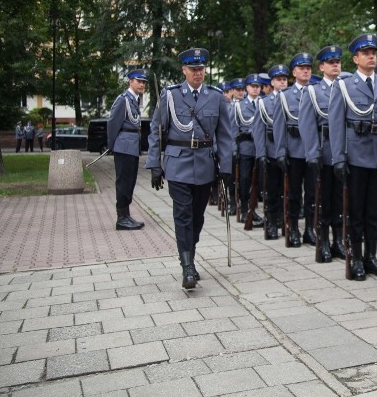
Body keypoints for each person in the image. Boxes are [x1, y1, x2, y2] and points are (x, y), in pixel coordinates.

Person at [146, 48, 234, 290]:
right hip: (178, 163)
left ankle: (190, 256)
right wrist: (155, 164)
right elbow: (157, 131)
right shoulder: (171, 96)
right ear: (183, 70)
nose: (198, 73)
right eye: (193, 69)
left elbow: (225, 136)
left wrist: (226, 166)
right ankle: (187, 267)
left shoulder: (216, 97)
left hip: (205, 165)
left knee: (197, 217)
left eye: (201, 69)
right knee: (182, 215)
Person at [329, 34, 377, 280]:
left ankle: (371, 257)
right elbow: (336, 125)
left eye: (373, 53)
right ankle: (355, 257)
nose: (371, 57)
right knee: (356, 211)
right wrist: (338, 158)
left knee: (374, 211)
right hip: (355, 156)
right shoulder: (343, 86)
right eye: (366, 54)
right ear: (355, 59)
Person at [300, 45, 344, 262]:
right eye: (330, 62)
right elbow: (307, 125)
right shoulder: (313, 91)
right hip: (325, 150)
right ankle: (324, 241)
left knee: (341, 199)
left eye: (337, 62)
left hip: (344, 152)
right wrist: (312, 154)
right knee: (324, 199)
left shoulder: (346, 87)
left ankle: (339, 240)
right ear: (322, 66)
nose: (335, 65)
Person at [274, 52, 317, 247]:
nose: (306, 71)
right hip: (294, 148)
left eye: (308, 68)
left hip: (314, 150)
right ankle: (293, 228)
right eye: (302, 68)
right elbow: (279, 126)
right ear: (294, 72)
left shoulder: (317, 91)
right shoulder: (285, 96)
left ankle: (309, 228)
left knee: (312, 193)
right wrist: (281, 152)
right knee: (293, 193)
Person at [107, 69, 148, 231]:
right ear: (130, 82)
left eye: (144, 82)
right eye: (139, 81)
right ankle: (121, 218)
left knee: (129, 182)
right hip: (124, 146)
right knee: (124, 182)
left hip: (131, 146)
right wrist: (112, 145)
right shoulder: (123, 100)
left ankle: (126, 215)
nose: (142, 84)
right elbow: (112, 123)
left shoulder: (133, 100)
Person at [253, 64, 290, 240]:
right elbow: (258, 130)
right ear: (272, 82)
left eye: (284, 79)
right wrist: (261, 154)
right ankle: (272, 223)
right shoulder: (264, 102)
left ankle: (286, 221)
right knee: (272, 190)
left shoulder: (293, 98)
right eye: (278, 79)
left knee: (290, 190)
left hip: (291, 151)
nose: (282, 82)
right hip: (272, 150)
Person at [232, 75, 264, 227]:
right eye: (252, 86)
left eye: (258, 86)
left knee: (259, 181)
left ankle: (253, 209)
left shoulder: (264, 103)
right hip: (246, 148)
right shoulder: (239, 106)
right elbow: (234, 129)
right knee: (244, 180)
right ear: (247, 88)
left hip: (261, 148)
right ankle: (244, 209)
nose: (255, 88)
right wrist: (234, 149)